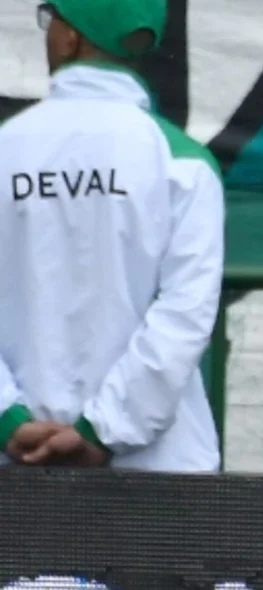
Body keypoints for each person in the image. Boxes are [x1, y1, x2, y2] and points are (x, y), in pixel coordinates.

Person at [0, 0, 224, 472]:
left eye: (50, 18)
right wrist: (100, 432)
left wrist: (9, 420)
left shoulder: (6, 150)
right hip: (159, 472)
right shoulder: (184, 162)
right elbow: (185, 317)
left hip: (16, 471)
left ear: (69, 38)